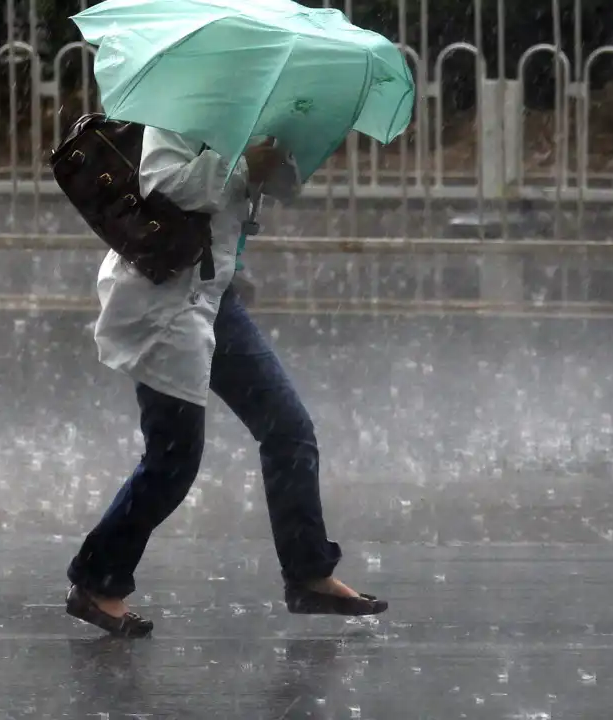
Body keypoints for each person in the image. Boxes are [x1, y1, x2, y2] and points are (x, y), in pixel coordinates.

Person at [64, 127, 388, 637]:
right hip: (165, 298)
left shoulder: (250, 106)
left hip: (214, 297)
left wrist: (280, 162)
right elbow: (160, 183)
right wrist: (241, 167)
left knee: (287, 428)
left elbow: (270, 192)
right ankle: (96, 581)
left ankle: (309, 574)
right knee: (173, 459)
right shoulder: (177, 107)